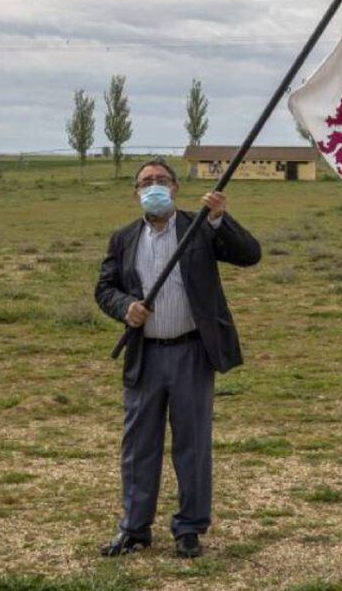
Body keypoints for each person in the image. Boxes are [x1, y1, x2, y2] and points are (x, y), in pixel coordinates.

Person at [94, 157, 261, 558]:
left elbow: (249, 254)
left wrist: (220, 218)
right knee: (139, 445)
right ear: (136, 193)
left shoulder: (199, 228)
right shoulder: (123, 238)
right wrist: (125, 307)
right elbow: (105, 288)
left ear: (175, 187)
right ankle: (134, 529)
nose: (153, 186)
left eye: (161, 180)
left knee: (192, 444)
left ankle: (189, 528)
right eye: (145, 182)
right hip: (145, 356)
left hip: (191, 351)